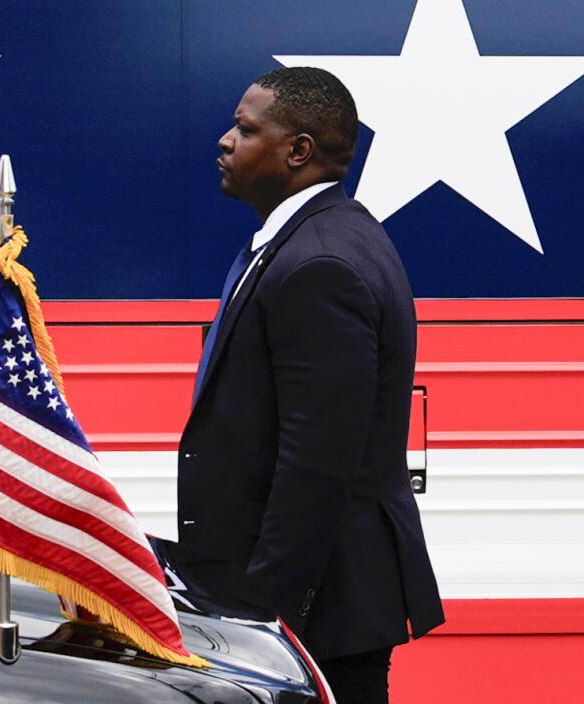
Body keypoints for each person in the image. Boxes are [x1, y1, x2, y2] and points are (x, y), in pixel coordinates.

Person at [173, 67, 444, 703]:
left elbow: (316, 465)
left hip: (318, 613)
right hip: (315, 601)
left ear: (298, 150)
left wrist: (267, 624)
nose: (224, 141)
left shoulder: (318, 262)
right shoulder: (307, 240)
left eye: (245, 129)